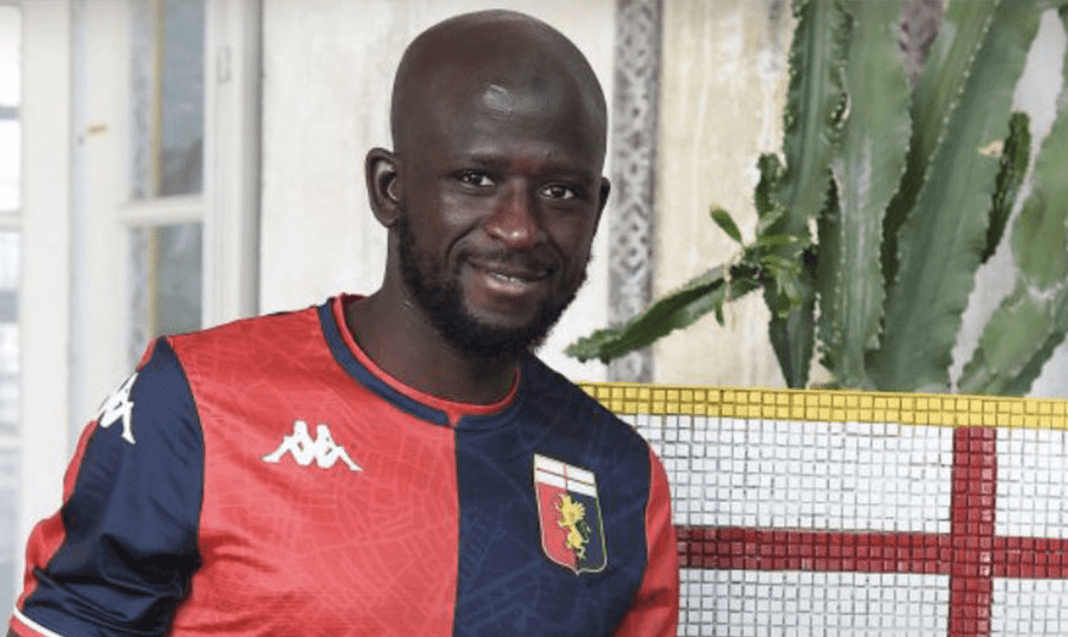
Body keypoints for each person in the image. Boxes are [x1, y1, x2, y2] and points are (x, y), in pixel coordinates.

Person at [8, 9, 679, 637]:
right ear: (390, 189)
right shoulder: (193, 402)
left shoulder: (621, 476)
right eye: (476, 179)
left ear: (597, 208)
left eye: (560, 191)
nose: (519, 228)